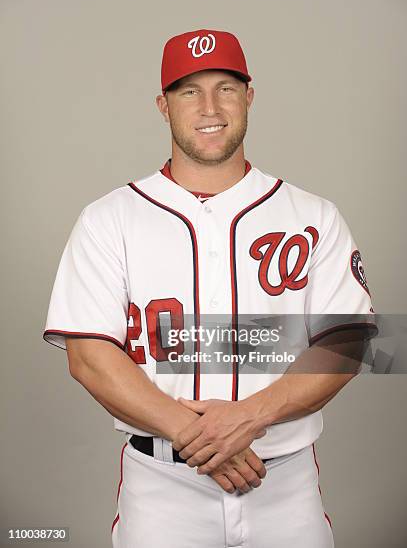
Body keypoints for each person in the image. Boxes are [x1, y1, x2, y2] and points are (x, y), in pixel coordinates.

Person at [43, 28, 376, 548]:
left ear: (249, 96)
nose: (209, 105)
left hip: (284, 483)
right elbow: (89, 356)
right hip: (161, 488)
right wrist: (193, 433)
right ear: (163, 104)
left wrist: (246, 417)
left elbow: (345, 343)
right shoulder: (109, 218)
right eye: (189, 90)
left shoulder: (314, 215)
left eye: (225, 86)